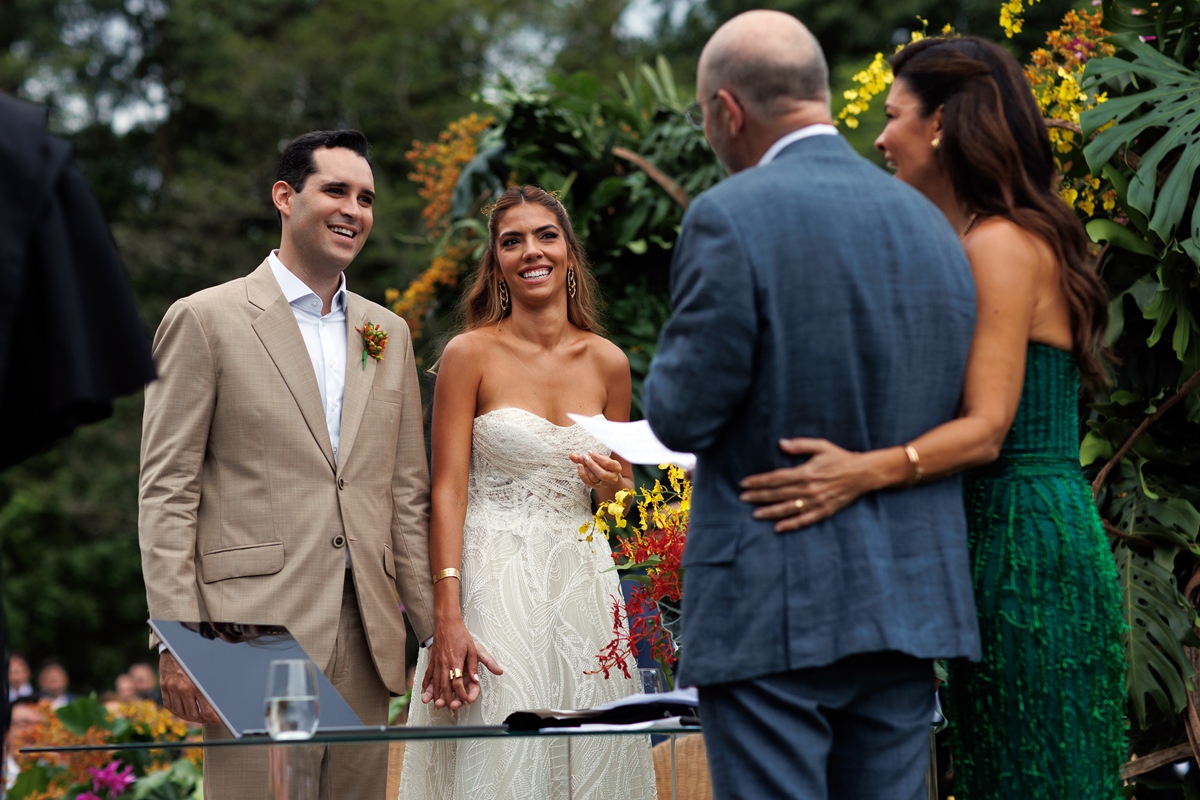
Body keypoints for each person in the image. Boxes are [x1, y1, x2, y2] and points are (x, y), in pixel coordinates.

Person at [739, 36, 1125, 800]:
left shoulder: (1000, 244)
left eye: (892, 116)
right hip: (998, 536)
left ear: (941, 123)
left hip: (1025, 548)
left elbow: (985, 428)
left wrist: (857, 473)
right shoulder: (978, 239)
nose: (879, 137)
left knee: (1035, 774)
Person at [640, 11, 980, 800]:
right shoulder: (934, 225)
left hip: (772, 600)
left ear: (728, 110)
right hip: (906, 603)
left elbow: (682, 413)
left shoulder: (731, 215)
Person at [138, 129, 436, 799]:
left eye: (366, 198)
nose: (353, 210)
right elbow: (167, 492)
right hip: (250, 635)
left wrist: (434, 631)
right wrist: (180, 641)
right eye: (335, 190)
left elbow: (405, 495)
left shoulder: (386, 334)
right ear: (284, 196)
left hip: (367, 638)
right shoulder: (204, 319)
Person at [399, 185, 656, 800]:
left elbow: (617, 499)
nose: (530, 251)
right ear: (497, 264)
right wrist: (446, 615)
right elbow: (447, 491)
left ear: (568, 252)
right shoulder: (469, 354)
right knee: (499, 753)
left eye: (546, 235)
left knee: (591, 753)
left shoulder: (609, 363)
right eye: (511, 241)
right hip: (493, 575)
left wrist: (613, 484)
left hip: (583, 580)